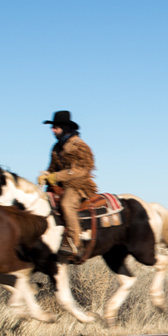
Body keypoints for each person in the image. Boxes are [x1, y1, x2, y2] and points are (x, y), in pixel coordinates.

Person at [38, 111, 96, 260]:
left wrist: (55, 176)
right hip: (59, 185)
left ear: (64, 128)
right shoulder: (56, 147)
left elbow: (81, 170)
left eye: (55, 127)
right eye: (52, 127)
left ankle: (74, 243)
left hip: (78, 184)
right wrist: (45, 176)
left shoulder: (79, 146)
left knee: (66, 204)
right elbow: (52, 168)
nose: (52, 130)